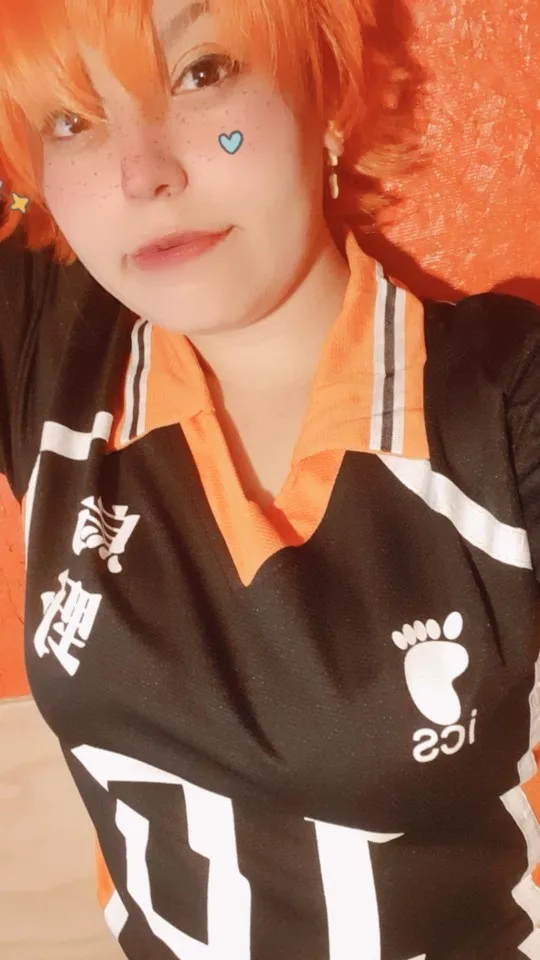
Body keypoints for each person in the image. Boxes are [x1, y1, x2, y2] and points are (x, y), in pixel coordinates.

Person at [1, 0, 540, 957]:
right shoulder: (51, 345)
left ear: (323, 94)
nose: (141, 174)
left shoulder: (505, 405)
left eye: (201, 72)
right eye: (73, 119)